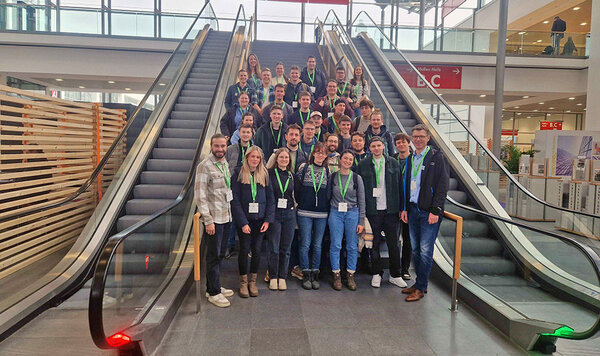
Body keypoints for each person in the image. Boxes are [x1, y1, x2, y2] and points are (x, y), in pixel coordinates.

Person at [401, 124, 449, 302]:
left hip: (429, 212)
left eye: (421, 136)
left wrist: (436, 209)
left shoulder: (436, 157)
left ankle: (421, 288)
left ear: (428, 138)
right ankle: (419, 283)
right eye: (415, 136)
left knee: (425, 250)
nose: (418, 139)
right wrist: (405, 208)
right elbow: (407, 185)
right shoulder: (411, 158)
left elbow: (443, 185)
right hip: (413, 210)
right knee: (415, 249)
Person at [357, 136, 406, 289]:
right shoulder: (363, 164)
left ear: (383, 146)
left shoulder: (393, 163)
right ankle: (376, 274)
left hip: (391, 210)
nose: (376, 148)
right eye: (373, 146)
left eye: (379, 145)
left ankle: (395, 275)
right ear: (369, 148)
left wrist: (401, 208)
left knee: (394, 244)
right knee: (374, 244)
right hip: (373, 211)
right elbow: (359, 189)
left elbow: (400, 186)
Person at [194, 133, 235, 308]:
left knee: (219, 254)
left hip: (226, 216)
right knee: (212, 255)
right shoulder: (205, 166)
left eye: (223, 146)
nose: (220, 149)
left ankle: (215, 285)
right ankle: (213, 292)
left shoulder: (224, 163)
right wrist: (208, 220)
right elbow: (200, 195)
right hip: (214, 220)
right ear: (211, 146)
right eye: (217, 146)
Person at [231, 146, 275, 298]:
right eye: (253, 157)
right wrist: (243, 222)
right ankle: (243, 282)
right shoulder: (238, 173)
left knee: (257, 250)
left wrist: (268, 220)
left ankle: (252, 281)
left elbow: (270, 199)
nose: (255, 160)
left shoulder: (264, 173)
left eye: (258, 157)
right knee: (244, 249)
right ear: (247, 157)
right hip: (244, 220)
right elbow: (235, 200)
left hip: (260, 220)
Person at [327, 150, 365, 291]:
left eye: (350, 159)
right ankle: (336, 274)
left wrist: (361, 221)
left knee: (352, 246)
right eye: (345, 158)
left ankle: (350, 274)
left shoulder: (357, 178)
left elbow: (362, 201)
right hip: (335, 212)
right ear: (340, 159)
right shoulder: (333, 177)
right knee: (336, 245)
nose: (347, 161)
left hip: (352, 213)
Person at [295, 142, 330, 290]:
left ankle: (315, 272)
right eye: (318, 152)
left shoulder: (327, 172)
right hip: (304, 212)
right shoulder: (304, 168)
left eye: (323, 153)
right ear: (313, 154)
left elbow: (329, 193)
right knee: (305, 243)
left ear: (326, 156)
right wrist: (301, 202)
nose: (320, 155)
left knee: (317, 244)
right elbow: (296, 188)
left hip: (321, 214)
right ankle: (305, 273)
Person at [266, 148, 297, 291]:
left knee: (286, 248)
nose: (284, 160)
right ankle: (273, 276)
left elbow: (295, 194)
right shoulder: (270, 174)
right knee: (274, 247)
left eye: (286, 158)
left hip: (289, 214)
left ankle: (282, 276)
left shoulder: (291, 175)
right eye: (281, 157)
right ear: (276, 159)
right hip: (275, 214)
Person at [224, 123, 254, 259]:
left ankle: (248, 248)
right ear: (239, 133)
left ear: (252, 134)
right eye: (243, 132)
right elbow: (224, 166)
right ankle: (229, 246)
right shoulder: (230, 149)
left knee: (249, 218)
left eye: (248, 132)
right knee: (232, 216)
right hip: (233, 185)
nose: (246, 134)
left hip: (249, 187)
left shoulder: (256, 150)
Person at [393, 133, 412, 280]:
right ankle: (395, 269)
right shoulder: (392, 160)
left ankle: (405, 268)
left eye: (403, 142)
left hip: (410, 205)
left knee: (407, 238)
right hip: (394, 205)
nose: (401, 145)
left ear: (408, 143)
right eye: (398, 143)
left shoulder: (415, 160)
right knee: (393, 239)